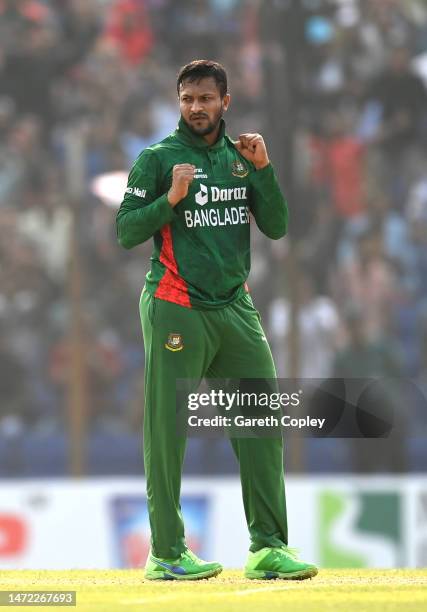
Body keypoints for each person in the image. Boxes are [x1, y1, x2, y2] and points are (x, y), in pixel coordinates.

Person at [116, 60, 317, 581]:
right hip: (175, 303)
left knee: (261, 423)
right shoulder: (159, 159)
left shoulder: (241, 158)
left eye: (205, 98)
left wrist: (265, 170)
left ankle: (269, 547)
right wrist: (170, 199)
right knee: (168, 431)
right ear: (178, 103)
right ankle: (165, 553)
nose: (196, 108)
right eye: (187, 99)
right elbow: (125, 231)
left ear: (225, 101)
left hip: (233, 305)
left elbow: (275, 226)